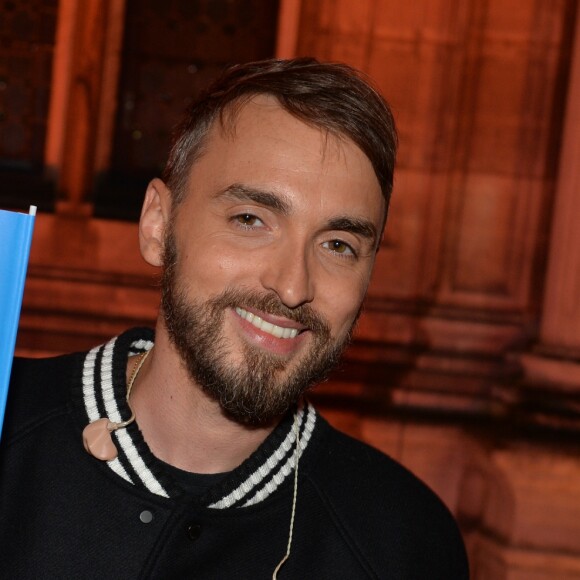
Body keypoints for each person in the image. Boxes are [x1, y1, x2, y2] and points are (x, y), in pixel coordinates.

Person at [0, 58, 468, 579]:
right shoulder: (8, 424)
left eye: (338, 245)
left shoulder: (402, 546)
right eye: (251, 220)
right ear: (158, 224)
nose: (293, 287)